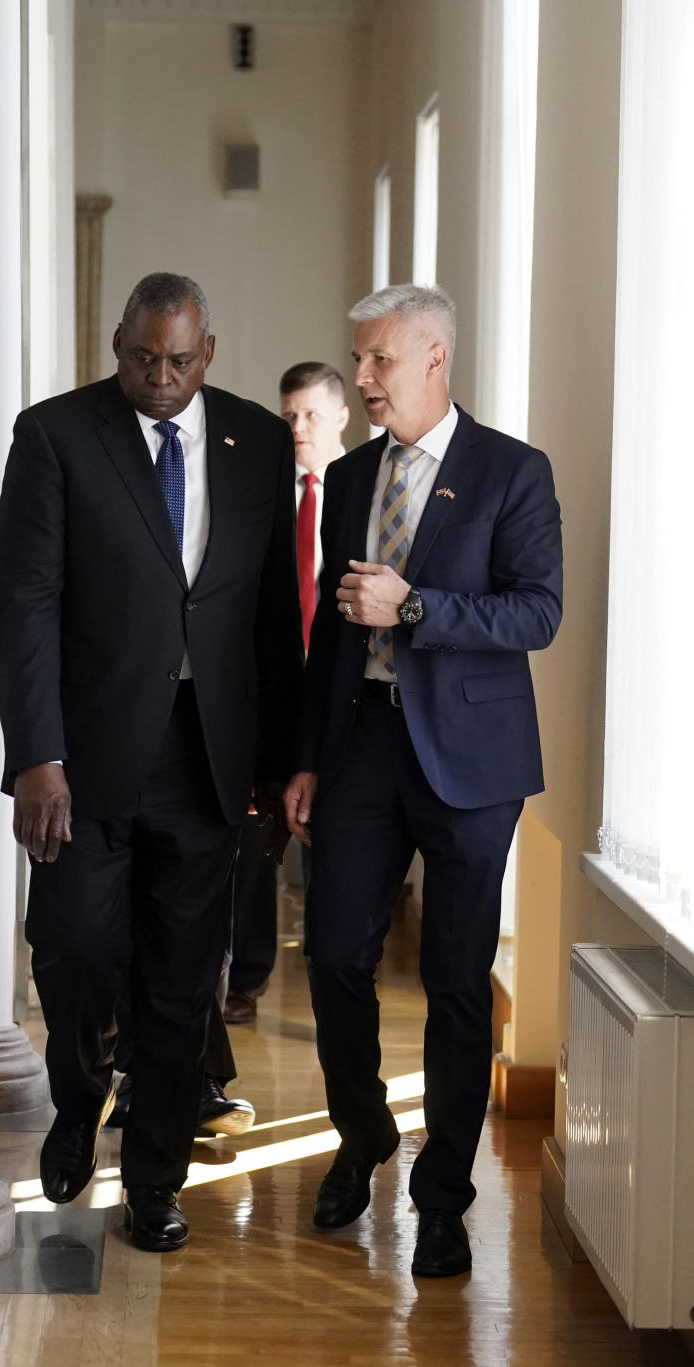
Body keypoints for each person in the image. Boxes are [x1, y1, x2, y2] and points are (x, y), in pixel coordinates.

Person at [0, 272, 302, 1252]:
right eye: (140, 357)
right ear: (117, 341)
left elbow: (271, 616)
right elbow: (23, 602)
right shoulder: (55, 436)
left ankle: (154, 1178)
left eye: (178, 360)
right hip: (84, 754)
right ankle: (81, 1097)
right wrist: (35, 753)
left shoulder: (257, 447)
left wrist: (282, 760)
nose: (159, 378)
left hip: (209, 753)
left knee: (180, 978)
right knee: (75, 943)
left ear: (208, 351)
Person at [283, 283, 562, 1278]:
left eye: (379, 361)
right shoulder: (354, 476)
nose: (361, 379)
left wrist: (416, 606)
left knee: (454, 980)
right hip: (361, 748)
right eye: (358, 360)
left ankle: (444, 1196)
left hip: (472, 764)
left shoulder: (512, 473)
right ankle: (362, 1135)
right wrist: (309, 756)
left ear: (435, 358)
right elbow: (326, 637)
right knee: (334, 954)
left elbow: (537, 612)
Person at [224, 362, 349, 1025]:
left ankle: (335, 977)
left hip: (338, 691)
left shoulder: (360, 492)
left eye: (309, 415)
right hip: (275, 686)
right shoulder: (264, 494)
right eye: (288, 416)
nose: (296, 428)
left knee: (335, 842)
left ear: (338, 419)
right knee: (255, 836)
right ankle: (247, 976)